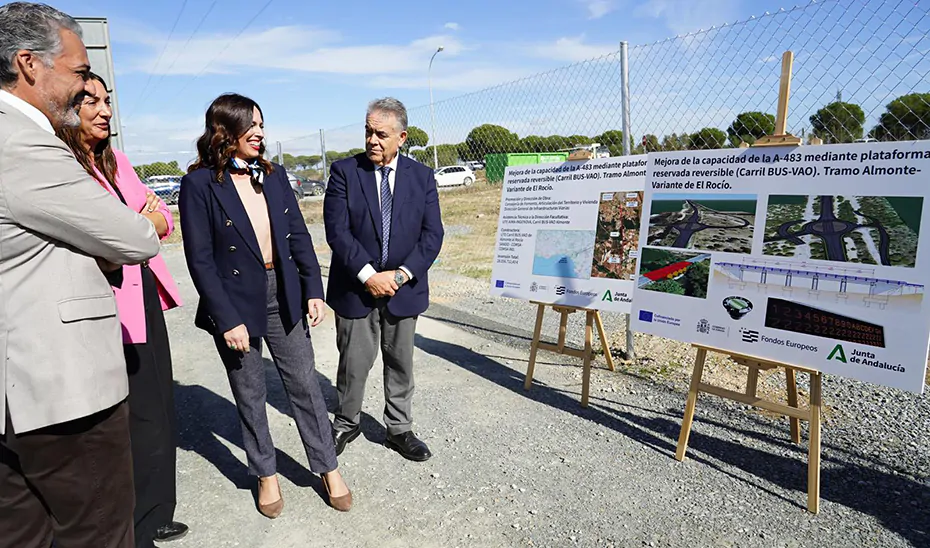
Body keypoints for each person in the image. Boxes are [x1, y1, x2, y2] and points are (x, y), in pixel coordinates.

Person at [0, 3, 161, 548]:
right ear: (29, 63)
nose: (84, 87)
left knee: (23, 533)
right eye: (78, 71)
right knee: (99, 531)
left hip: (18, 396)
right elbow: (134, 238)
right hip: (62, 393)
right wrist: (140, 224)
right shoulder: (23, 143)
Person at [179, 93, 351, 515]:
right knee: (250, 392)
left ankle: (328, 467)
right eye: (250, 125)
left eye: (261, 124)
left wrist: (313, 288)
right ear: (225, 131)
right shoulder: (199, 184)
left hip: (283, 291)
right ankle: (266, 474)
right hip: (234, 301)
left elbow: (298, 236)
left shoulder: (274, 175)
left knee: (305, 384)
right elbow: (200, 260)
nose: (259, 132)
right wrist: (226, 319)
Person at [56, 72, 189, 547]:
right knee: (113, 420)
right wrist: (136, 222)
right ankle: (124, 523)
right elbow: (106, 237)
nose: (105, 110)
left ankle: (153, 514)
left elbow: (163, 218)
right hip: (99, 304)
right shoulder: (64, 167)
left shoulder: (118, 162)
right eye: (91, 100)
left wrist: (136, 223)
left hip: (140, 296)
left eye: (107, 100)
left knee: (155, 409)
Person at [324, 97, 444, 461]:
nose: (372, 140)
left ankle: (399, 429)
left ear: (401, 137)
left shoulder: (422, 177)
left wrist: (402, 275)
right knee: (354, 362)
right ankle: (347, 421)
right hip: (356, 286)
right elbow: (337, 231)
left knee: (400, 361)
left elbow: (432, 235)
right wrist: (369, 276)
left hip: (403, 289)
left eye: (381, 134)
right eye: (368, 132)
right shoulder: (345, 172)